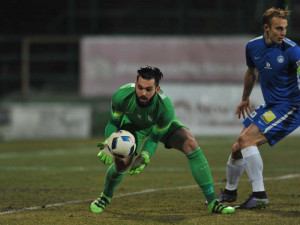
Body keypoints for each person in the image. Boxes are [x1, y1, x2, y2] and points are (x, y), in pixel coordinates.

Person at [90, 65, 235, 214]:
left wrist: (145, 155)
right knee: (121, 164)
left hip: (158, 125)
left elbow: (154, 137)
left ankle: (212, 202)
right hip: (133, 127)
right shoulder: (122, 95)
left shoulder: (165, 108)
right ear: (135, 84)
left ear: (157, 89)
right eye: (140, 88)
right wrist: (108, 145)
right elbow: (114, 123)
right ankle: (105, 196)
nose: (143, 93)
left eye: (148, 89)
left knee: (191, 144)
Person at [217, 7, 300, 209]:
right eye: (279, 28)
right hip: (271, 105)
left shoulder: (292, 50)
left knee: (247, 140)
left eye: (285, 28)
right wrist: (245, 98)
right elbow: (252, 72)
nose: (283, 33)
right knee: (238, 148)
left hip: (290, 107)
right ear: (266, 28)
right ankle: (229, 191)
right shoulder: (252, 46)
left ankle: (259, 194)